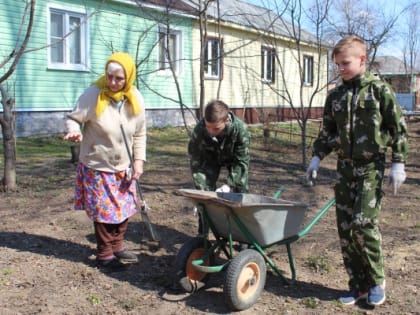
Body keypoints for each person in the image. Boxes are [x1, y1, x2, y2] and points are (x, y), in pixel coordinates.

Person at [306, 35, 408, 306]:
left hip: (370, 167)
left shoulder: (379, 91)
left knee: (364, 224)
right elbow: (328, 132)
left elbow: (397, 127)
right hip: (345, 169)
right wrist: (316, 157)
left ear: (362, 60)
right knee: (346, 229)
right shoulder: (335, 95)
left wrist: (398, 162)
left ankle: (376, 280)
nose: (340, 68)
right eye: (337, 64)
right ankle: (358, 285)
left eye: (345, 63)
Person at [64, 52, 147, 271]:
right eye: (110, 76)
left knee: (125, 209)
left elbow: (140, 134)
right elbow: (73, 118)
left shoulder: (135, 97)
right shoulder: (93, 94)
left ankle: (117, 245)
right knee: (104, 213)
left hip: (124, 166)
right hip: (97, 165)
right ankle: (104, 254)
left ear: (128, 77)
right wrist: (74, 131)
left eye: (119, 79)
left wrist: (138, 161)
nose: (112, 82)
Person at [188, 100, 251, 234]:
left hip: (233, 158)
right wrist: (200, 193)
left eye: (216, 128)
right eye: (208, 127)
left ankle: (243, 234)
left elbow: (241, 163)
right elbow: (196, 160)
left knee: (241, 193)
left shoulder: (240, 130)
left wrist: (229, 185)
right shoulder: (200, 129)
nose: (211, 132)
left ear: (227, 120)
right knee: (204, 198)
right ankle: (203, 235)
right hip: (210, 159)